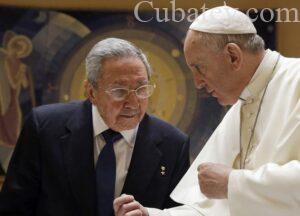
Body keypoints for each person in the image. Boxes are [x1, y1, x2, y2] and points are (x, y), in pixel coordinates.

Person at [114, 6, 300, 216]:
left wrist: (233, 183)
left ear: (233, 56)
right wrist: (153, 215)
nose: (197, 83)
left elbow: (227, 189)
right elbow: (213, 209)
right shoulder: (243, 101)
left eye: (199, 68)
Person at [0, 38, 190, 216]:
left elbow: (179, 213)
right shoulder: (44, 128)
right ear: (91, 92)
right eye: (119, 90)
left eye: (141, 89)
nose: (133, 103)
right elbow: (14, 207)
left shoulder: (173, 144)